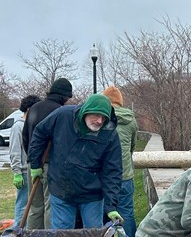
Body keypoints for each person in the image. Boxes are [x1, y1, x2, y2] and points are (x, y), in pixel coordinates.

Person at [27, 93, 122, 229]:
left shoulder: (110, 135)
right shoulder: (63, 115)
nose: (100, 121)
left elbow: (113, 171)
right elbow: (40, 132)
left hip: (92, 194)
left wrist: (111, 206)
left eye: (104, 117)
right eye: (96, 115)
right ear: (86, 111)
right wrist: (35, 164)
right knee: (61, 236)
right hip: (61, 189)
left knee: (93, 235)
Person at [22, 77, 73, 229]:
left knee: (35, 207)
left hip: (33, 165)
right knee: (50, 205)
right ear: (64, 96)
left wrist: (32, 160)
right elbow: (63, 142)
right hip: (51, 165)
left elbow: (25, 137)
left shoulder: (34, 108)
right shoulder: (60, 112)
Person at [102, 86, 138, 237]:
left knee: (105, 211)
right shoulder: (131, 120)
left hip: (106, 176)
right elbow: (132, 146)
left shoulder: (102, 118)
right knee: (127, 212)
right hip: (126, 175)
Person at [9, 94, 41, 229]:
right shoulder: (18, 127)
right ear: (28, 109)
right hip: (22, 171)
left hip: (30, 169)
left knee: (31, 204)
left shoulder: (32, 125)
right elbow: (14, 151)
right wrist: (16, 172)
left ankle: (25, 229)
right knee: (22, 204)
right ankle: (18, 230)